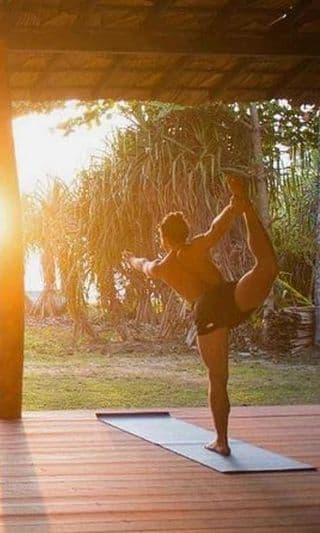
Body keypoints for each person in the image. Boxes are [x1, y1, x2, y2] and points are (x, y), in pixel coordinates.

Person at [123, 175, 277, 456]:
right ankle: (248, 209)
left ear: (164, 238)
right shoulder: (195, 247)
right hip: (229, 297)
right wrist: (234, 208)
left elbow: (143, 265)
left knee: (218, 378)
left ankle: (222, 441)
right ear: (185, 232)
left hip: (208, 310)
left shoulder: (163, 266)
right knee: (267, 266)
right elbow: (216, 229)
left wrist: (131, 259)